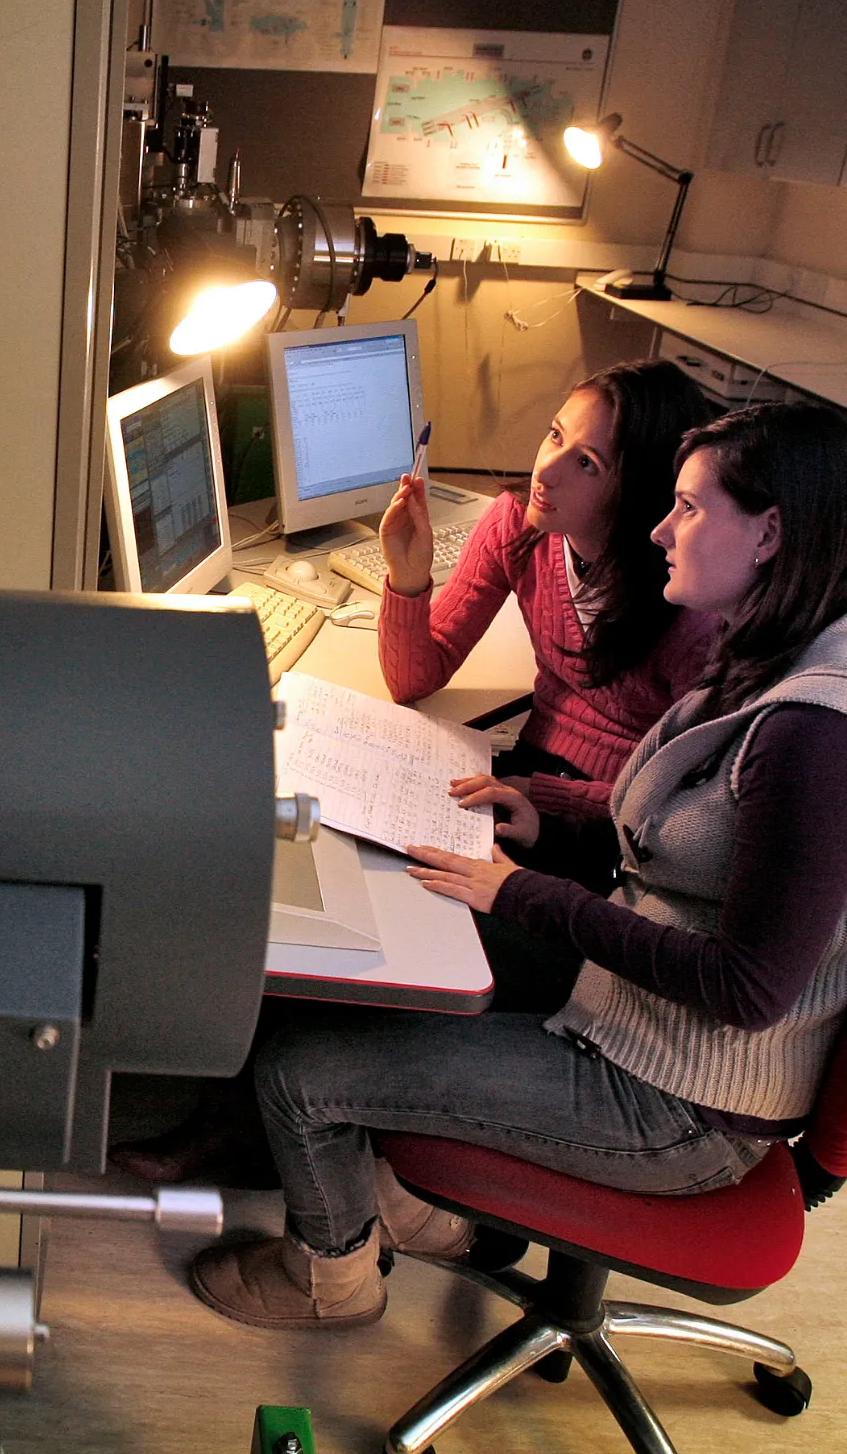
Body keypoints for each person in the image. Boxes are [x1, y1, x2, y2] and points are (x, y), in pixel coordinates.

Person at [190, 400, 847, 1331]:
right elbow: (679, 828)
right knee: (381, 934)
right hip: (636, 1005)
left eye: (690, 509)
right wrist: (547, 813)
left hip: (684, 1100)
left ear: (771, 532)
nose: (661, 528)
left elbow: (748, 989)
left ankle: (328, 1280)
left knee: (300, 1074)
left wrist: (526, 894)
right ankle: (411, 1211)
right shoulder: (769, 648)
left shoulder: (816, 734)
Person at [379, 360, 714, 822]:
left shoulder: (692, 599)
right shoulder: (516, 524)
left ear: (637, 489)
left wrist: (543, 797)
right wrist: (407, 577)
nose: (546, 471)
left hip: (620, 817)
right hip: (532, 768)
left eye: (586, 464)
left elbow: (691, 795)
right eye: (556, 435)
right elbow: (411, 682)